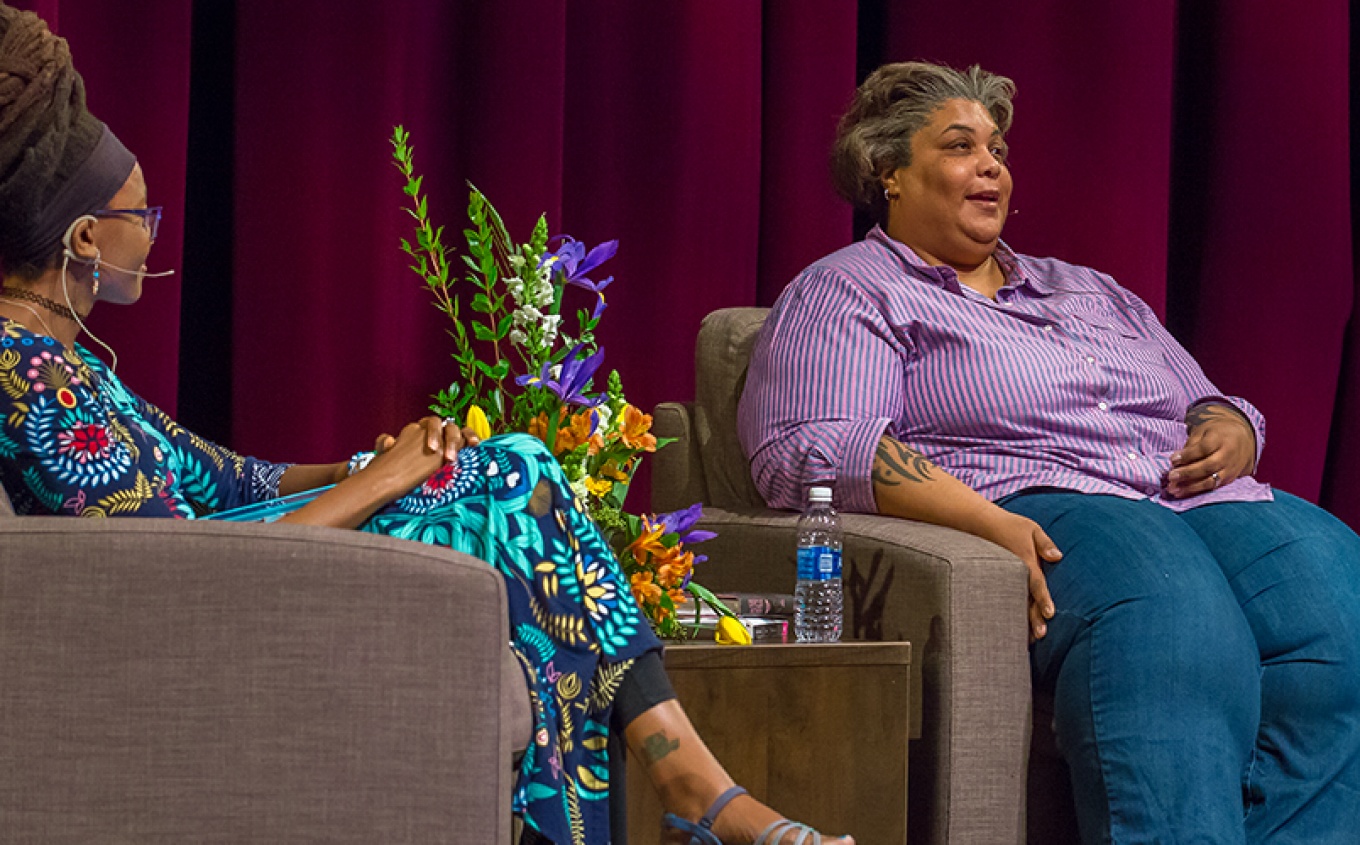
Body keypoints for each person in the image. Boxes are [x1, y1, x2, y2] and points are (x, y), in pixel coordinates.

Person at [0, 7, 851, 845]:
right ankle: (700, 792)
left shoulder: (65, 363)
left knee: (502, 470)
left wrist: (364, 463)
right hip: (204, 610)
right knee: (515, 474)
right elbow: (160, 573)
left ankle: (695, 790)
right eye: (139, 220)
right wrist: (381, 484)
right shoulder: (27, 370)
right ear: (83, 237)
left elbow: (228, 481)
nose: (152, 239)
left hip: (228, 568)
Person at [738, 60, 1360, 844]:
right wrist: (983, 519)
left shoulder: (1090, 288)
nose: (991, 163)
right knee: (1176, 618)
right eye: (961, 145)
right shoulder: (854, 288)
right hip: (1044, 500)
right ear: (887, 171)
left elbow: (1198, 395)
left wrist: (1229, 425)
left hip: (1189, 497)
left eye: (996, 147)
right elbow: (808, 446)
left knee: (1342, 605)